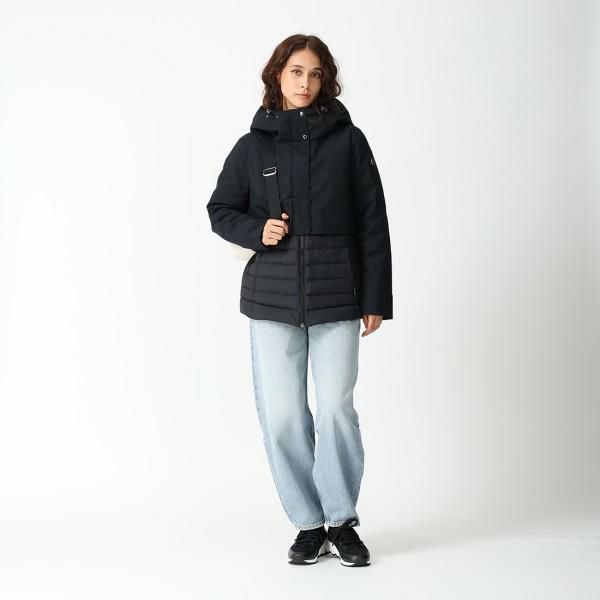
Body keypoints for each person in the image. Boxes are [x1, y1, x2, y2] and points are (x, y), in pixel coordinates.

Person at [206, 34, 393, 567]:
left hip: (338, 296)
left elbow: (373, 222)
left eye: (314, 73)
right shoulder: (253, 146)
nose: (305, 82)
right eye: (295, 72)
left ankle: (341, 521)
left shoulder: (349, 141)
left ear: (325, 79)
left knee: (335, 408)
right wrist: (256, 230)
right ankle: (309, 524)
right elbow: (220, 209)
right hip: (271, 300)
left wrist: (375, 297)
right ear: (277, 75)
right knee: (283, 415)